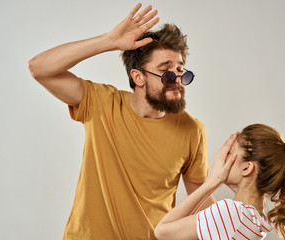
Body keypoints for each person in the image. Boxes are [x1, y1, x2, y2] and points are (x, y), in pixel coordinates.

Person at [28, 4, 212, 239]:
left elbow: (200, 202)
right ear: (138, 77)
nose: (176, 79)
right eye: (166, 72)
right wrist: (109, 40)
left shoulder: (192, 130)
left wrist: (240, 208)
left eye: (180, 71)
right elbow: (39, 68)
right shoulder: (103, 103)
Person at [155, 124, 285, 240]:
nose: (222, 157)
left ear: (246, 168)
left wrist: (214, 180)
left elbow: (161, 232)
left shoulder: (229, 214)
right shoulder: (257, 218)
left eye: (230, 152)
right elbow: (213, 217)